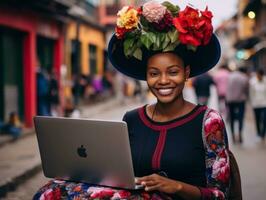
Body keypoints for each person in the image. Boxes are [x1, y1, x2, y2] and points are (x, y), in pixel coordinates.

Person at [34, 2, 231, 199]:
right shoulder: (133, 119)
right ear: (146, 76)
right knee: (52, 189)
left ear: (186, 73)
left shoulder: (208, 122)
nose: (163, 81)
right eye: (154, 73)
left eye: (173, 72)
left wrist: (176, 187)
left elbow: (220, 195)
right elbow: (119, 176)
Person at [225, 67, 249, 144]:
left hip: (230, 99)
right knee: (240, 117)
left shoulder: (229, 76)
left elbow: (226, 88)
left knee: (231, 117)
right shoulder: (244, 77)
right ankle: (240, 134)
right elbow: (246, 89)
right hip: (241, 100)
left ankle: (233, 136)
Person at [249, 68, 266, 142]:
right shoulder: (252, 82)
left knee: (264, 119)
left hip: (264, 104)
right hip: (255, 104)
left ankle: (263, 133)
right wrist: (252, 103)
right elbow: (251, 94)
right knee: (257, 119)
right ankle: (258, 132)